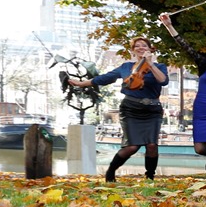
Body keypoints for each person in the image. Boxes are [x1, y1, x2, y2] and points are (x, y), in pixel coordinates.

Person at [67, 38, 168, 182]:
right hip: (131, 109)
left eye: (144, 46)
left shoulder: (160, 66)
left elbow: (163, 81)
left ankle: (150, 177)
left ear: (150, 49)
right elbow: (105, 78)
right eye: (136, 46)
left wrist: (150, 64)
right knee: (132, 147)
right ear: (132, 51)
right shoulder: (126, 67)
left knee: (152, 145)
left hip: (152, 110)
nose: (140, 48)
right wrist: (82, 83)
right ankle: (111, 171)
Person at [158, 13, 206, 181]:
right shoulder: (204, 63)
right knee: (200, 149)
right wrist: (169, 26)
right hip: (202, 109)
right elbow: (185, 45)